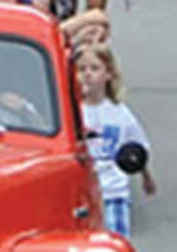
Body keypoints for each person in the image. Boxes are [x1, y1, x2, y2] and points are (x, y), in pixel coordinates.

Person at [75, 43, 154, 239]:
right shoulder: (74, 112)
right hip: (84, 194)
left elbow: (136, 147)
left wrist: (146, 177)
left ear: (108, 75)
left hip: (114, 191)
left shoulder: (119, 113)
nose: (87, 74)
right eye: (82, 69)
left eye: (94, 68)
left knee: (116, 242)